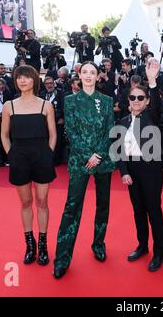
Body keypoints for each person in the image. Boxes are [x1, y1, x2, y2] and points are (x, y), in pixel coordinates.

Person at [53, 61, 116, 279]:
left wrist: (97, 154)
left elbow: (110, 130)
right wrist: (87, 155)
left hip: (103, 161)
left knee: (103, 205)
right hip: (80, 161)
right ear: (79, 75)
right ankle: (62, 258)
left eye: (93, 72)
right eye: (84, 72)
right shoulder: (69, 101)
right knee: (72, 207)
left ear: (98, 76)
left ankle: (99, 244)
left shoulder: (107, 101)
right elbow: (70, 131)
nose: (88, 75)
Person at [0, 65, 57, 266]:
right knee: (25, 203)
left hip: (41, 156)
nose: (22, 81)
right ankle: (29, 245)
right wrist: (12, 154)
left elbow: (53, 134)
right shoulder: (9, 106)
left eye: (26, 77)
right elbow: (4, 135)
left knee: (42, 202)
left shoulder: (46, 105)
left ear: (34, 80)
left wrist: (48, 154)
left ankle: (42, 244)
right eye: (19, 78)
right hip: (19, 158)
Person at [117, 59, 163, 272]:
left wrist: (152, 81)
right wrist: (124, 172)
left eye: (140, 98)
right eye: (132, 97)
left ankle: (159, 252)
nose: (136, 100)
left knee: (154, 211)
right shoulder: (123, 122)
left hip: (151, 171)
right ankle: (143, 246)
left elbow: (157, 105)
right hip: (132, 172)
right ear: (128, 100)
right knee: (138, 211)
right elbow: (119, 151)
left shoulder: (152, 117)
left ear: (146, 101)